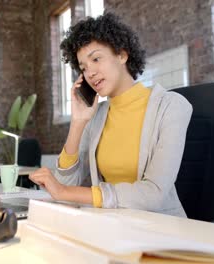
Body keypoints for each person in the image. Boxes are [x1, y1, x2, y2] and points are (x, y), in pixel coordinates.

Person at [29, 13, 192, 217]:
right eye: (84, 68)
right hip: (113, 226)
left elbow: (154, 193)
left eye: (96, 59)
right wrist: (78, 123)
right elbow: (63, 186)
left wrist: (66, 192)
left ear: (122, 55)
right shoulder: (97, 115)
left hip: (160, 229)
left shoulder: (171, 107)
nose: (91, 73)